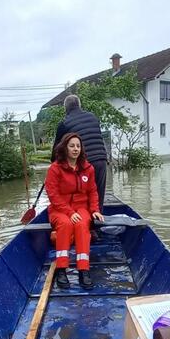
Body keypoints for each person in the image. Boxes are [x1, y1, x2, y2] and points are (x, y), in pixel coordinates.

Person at [45, 132, 105, 290]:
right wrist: (70, 213)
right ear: (65, 148)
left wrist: (95, 210)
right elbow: (53, 195)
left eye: (78, 146)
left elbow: (92, 191)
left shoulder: (88, 168)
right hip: (60, 209)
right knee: (65, 224)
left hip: (81, 208)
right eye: (72, 146)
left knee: (81, 225)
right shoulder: (55, 169)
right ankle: (62, 269)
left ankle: (83, 270)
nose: (75, 149)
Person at [51, 95, 108, 214]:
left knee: (83, 195)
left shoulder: (64, 124)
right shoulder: (93, 117)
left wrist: (54, 166)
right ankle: (98, 222)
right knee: (98, 195)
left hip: (83, 162)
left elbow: (57, 149)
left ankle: (86, 226)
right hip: (101, 159)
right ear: (79, 105)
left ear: (65, 109)